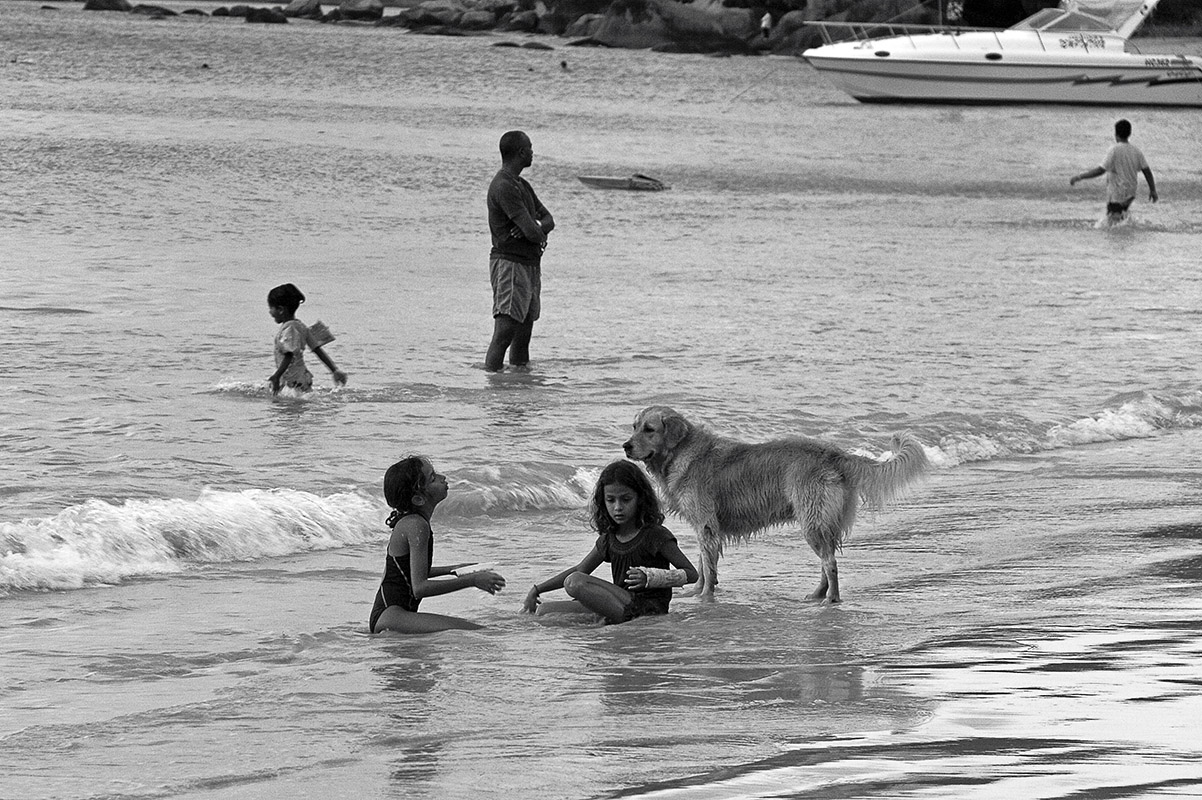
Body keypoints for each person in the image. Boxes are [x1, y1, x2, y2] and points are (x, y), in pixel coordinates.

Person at [522, 460, 698, 624]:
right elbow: (579, 569)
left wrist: (651, 577)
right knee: (544, 611)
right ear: (603, 501)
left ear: (640, 499)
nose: (618, 507)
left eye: (626, 499)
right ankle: (608, 619)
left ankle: (615, 621)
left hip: (649, 608)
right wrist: (537, 589)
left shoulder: (655, 535)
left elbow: (691, 574)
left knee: (574, 582)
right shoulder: (609, 538)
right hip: (619, 603)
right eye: (611, 500)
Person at [370, 456, 507, 634]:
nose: (442, 477)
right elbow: (419, 588)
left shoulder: (413, 523)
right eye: (433, 478)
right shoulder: (416, 526)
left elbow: (408, 573)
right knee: (478, 632)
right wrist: (472, 581)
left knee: (474, 632)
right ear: (418, 499)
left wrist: (454, 570)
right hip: (391, 616)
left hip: (390, 615)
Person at [485, 130, 555, 372]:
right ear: (521, 152)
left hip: (528, 264)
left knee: (524, 331)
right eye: (530, 148)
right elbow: (535, 231)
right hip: (510, 265)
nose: (533, 153)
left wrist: (533, 229)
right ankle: (493, 384)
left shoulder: (522, 185)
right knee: (505, 331)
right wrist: (534, 230)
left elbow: (548, 220)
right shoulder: (503, 186)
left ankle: (519, 386)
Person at [1070, 118, 1158, 223]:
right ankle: (1127, 235)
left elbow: (1100, 170)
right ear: (1129, 133)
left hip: (1117, 192)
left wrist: (1080, 177)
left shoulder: (1114, 150)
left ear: (1115, 134)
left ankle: (1118, 237)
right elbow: (1147, 171)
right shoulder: (1136, 151)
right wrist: (1153, 190)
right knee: (1121, 219)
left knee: (1112, 222)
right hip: (1130, 192)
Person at [267, 283, 347, 394]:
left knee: (288, 405)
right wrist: (334, 370)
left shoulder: (289, 329)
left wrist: (276, 375)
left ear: (280, 309)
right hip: (302, 378)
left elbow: (289, 355)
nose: (269, 312)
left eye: (271, 308)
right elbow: (317, 349)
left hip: (292, 380)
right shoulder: (301, 326)